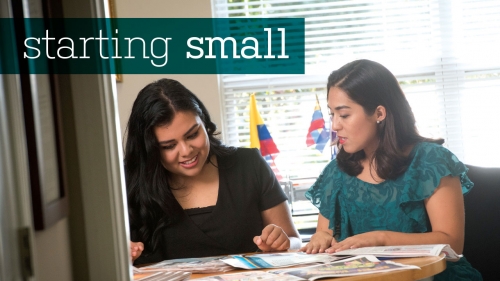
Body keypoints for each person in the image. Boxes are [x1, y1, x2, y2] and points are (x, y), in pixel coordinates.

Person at [300, 60, 482, 280]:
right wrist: (321, 238)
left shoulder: (431, 160)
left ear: (379, 113)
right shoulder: (336, 171)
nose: (335, 125)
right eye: (332, 115)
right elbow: (326, 235)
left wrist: (381, 238)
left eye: (344, 114)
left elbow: (452, 243)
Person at [125, 78, 300, 265]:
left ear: (205, 123)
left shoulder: (249, 165)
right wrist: (122, 254)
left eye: (193, 135)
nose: (186, 151)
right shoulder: (126, 182)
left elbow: (295, 242)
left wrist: (283, 243)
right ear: (149, 149)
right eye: (169, 146)